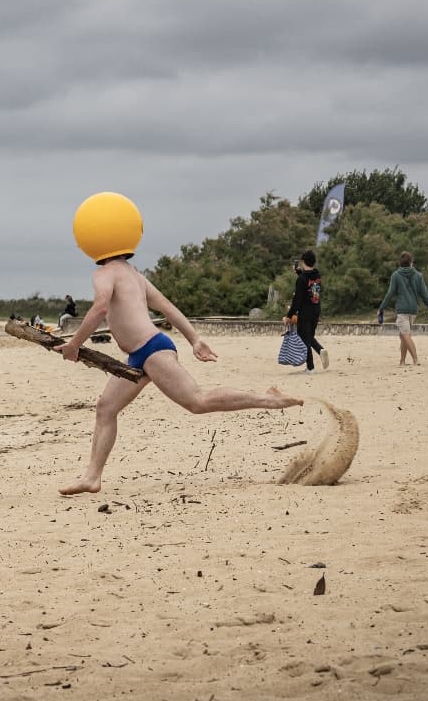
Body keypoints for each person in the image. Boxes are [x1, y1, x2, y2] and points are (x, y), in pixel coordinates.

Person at [56, 192, 302, 496]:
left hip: (151, 350)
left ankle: (267, 398)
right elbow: (168, 308)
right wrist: (194, 339)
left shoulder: (104, 274)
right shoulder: (134, 275)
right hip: (140, 355)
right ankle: (92, 477)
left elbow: (100, 309)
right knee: (106, 408)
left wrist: (74, 345)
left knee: (197, 401)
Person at [378, 251, 428, 366]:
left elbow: (390, 294)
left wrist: (381, 308)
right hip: (413, 310)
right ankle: (402, 361)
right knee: (403, 335)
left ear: (400, 263)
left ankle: (416, 360)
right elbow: (425, 294)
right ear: (411, 263)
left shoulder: (396, 275)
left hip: (402, 310)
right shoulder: (418, 275)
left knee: (405, 334)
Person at [285, 250, 329, 373]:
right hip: (316, 309)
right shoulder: (317, 275)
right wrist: (299, 272)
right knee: (309, 336)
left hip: (305, 312)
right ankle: (320, 350)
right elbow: (309, 285)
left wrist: (290, 315)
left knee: (304, 339)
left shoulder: (302, 279)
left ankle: (310, 368)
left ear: (303, 261)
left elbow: (297, 300)